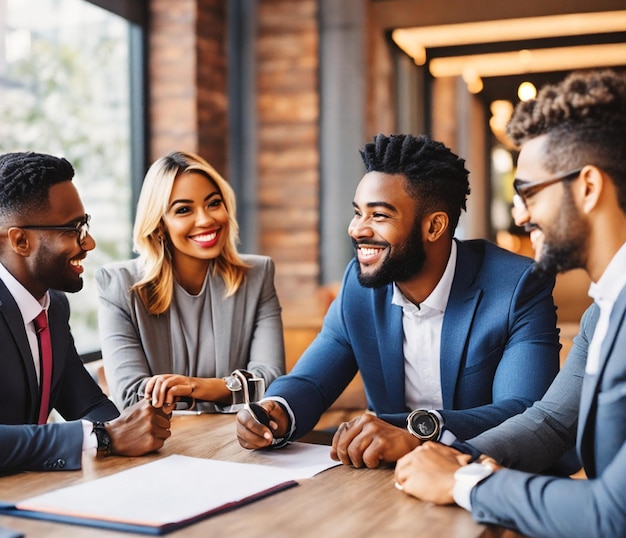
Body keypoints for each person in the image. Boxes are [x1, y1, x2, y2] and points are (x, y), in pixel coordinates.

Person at [394, 68, 626, 538]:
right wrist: (455, 457)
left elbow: (612, 516)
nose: (519, 213)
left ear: (588, 186)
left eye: (528, 192)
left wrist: (464, 485)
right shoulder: (603, 311)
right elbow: (550, 421)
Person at [236, 133, 560, 462]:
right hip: (384, 481)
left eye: (378, 216)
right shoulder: (359, 286)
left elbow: (524, 412)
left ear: (434, 227)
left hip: (483, 476)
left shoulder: (517, 286)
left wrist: (415, 432)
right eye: (357, 213)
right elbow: (311, 381)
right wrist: (277, 411)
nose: (357, 229)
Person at [0, 151, 171, 475]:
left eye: (85, 225)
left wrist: (139, 426)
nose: (88, 242)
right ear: (20, 240)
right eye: (71, 229)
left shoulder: (53, 307)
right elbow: (99, 432)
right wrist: (101, 438)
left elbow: (87, 404)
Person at [96, 151, 285, 412]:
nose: (206, 219)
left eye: (213, 203)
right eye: (184, 210)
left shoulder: (258, 275)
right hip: (161, 446)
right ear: (160, 224)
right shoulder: (118, 286)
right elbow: (131, 397)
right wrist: (229, 390)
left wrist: (193, 386)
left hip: (238, 440)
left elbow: (271, 381)